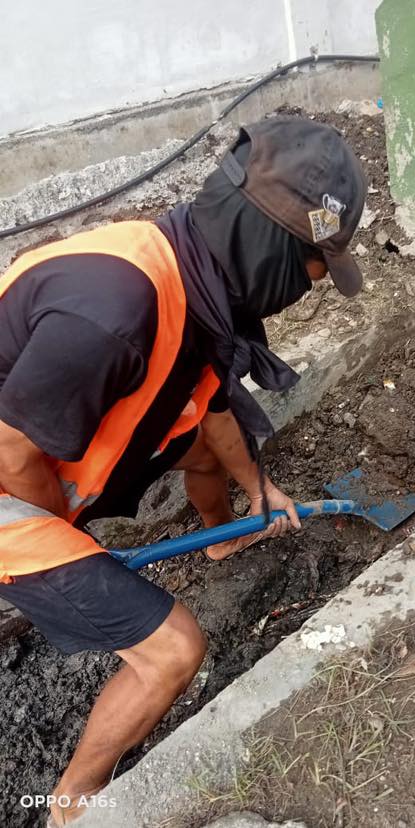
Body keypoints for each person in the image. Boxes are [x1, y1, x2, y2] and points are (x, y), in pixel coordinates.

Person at [0, 116, 366, 825]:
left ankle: (225, 538)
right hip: (9, 484)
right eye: (313, 271)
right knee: (173, 651)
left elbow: (208, 407)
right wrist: (67, 541)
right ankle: (70, 803)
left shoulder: (185, 274)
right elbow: (12, 453)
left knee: (196, 443)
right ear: (271, 248)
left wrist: (258, 487)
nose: (312, 288)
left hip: (28, 445)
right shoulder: (114, 312)